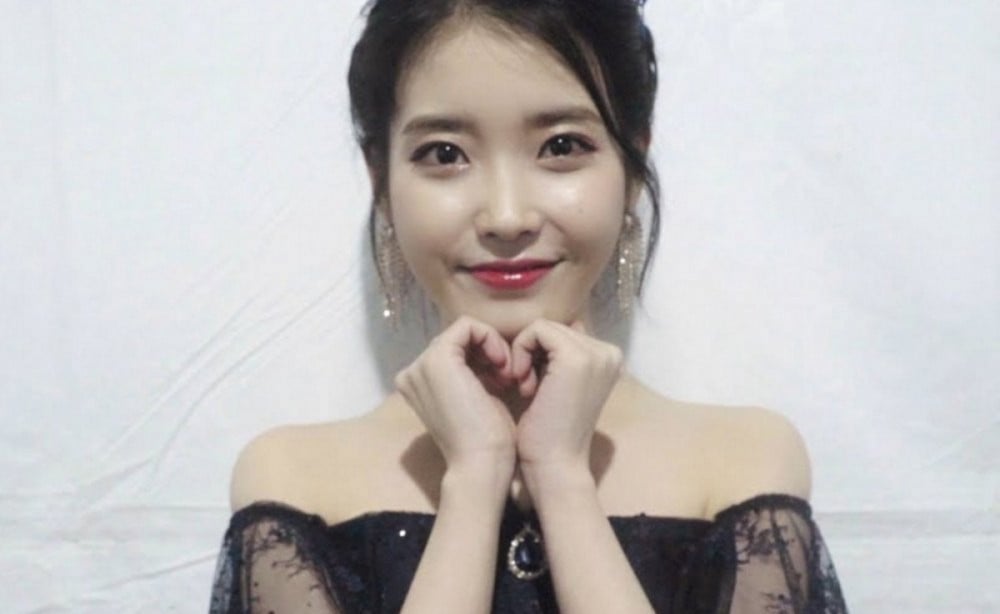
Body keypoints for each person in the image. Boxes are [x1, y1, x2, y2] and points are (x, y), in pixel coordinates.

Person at [208, 1, 848, 612]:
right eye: (445, 154)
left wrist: (562, 477)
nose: (507, 216)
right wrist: (474, 478)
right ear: (382, 180)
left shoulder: (743, 461)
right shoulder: (291, 479)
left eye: (561, 146)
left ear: (632, 166)